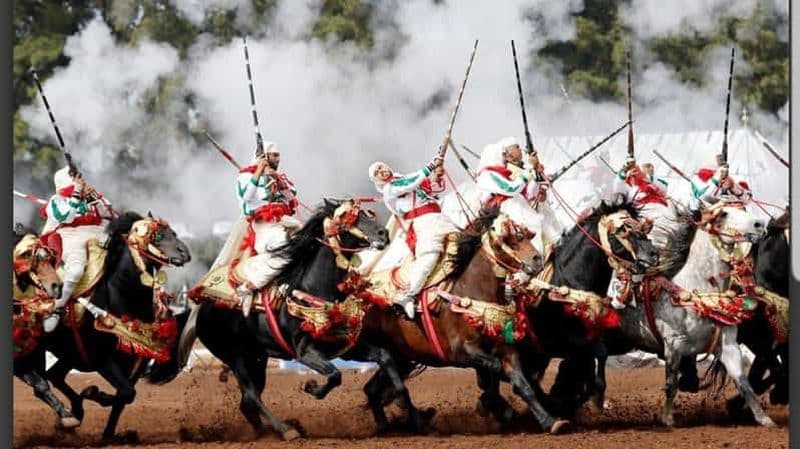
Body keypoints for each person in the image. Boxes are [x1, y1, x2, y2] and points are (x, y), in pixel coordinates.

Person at [368, 154, 457, 319]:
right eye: (376, 172)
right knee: (430, 255)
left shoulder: (403, 179)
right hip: (423, 222)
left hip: (440, 217)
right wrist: (430, 166)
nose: (381, 170)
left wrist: (436, 175)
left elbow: (430, 188)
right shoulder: (390, 188)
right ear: (376, 180)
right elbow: (411, 183)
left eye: (381, 166)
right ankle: (408, 295)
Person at [40, 167, 115, 332]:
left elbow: (110, 213)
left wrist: (94, 196)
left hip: (99, 234)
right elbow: (65, 216)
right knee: (75, 271)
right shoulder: (56, 200)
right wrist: (76, 193)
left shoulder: (88, 195)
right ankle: (57, 309)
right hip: (72, 237)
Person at [234, 143, 301, 317]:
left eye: (277, 155)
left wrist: (276, 179)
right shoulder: (246, 176)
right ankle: (248, 287)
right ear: (262, 157)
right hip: (264, 225)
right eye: (272, 155)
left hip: (285, 222)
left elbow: (292, 196)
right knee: (286, 254)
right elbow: (247, 197)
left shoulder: (278, 177)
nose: (276, 159)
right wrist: (259, 171)